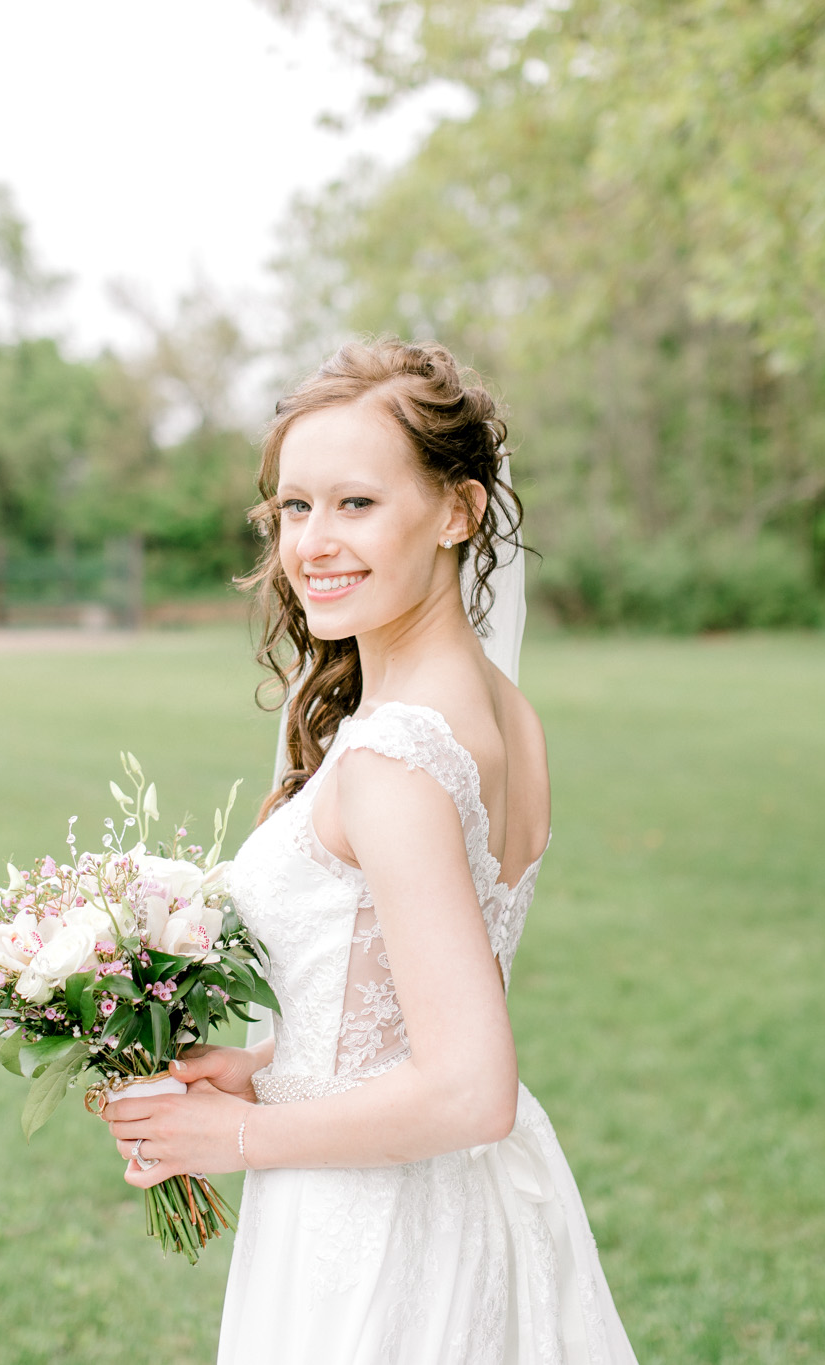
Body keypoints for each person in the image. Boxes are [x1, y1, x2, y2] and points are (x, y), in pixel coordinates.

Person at [98, 339, 641, 1363]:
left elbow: (468, 1086)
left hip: (373, 1232)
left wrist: (236, 1138)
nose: (311, 543)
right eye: (293, 508)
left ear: (456, 511)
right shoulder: (502, 713)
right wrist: (263, 1068)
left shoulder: (393, 755)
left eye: (355, 503)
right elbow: (397, 1005)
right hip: (450, 1201)